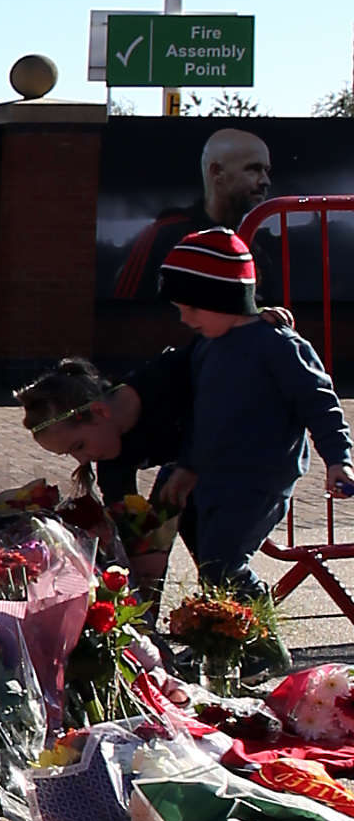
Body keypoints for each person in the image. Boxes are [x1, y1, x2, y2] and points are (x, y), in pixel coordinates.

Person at [153, 226, 354, 592]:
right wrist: (187, 466)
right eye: (179, 309)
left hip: (258, 480)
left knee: (225, 567)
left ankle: (260, 644)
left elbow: (319, 400)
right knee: (215, 569)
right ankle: (237, 644)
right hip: (214, 476)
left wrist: (338, 457)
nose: (184, 318)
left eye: (192, 307)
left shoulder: (275, 343)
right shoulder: (206, 346)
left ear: (226, 298)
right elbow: (200, 416)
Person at [19, 348, 200, 595]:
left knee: (220, 557)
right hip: (190, 466)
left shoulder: (168, 376)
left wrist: (263, 320)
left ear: (100, 412)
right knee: (143, 551)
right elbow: (126, 521)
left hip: (244, 452)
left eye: (79, 446)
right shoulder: (112, 457)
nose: (82, 459)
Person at [110, 120, 274, 303]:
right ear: (217, 172)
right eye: (253, 170)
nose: (265, 181)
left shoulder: (257, 255)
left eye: (266, 171)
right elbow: (120, 315)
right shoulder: (158, 238)